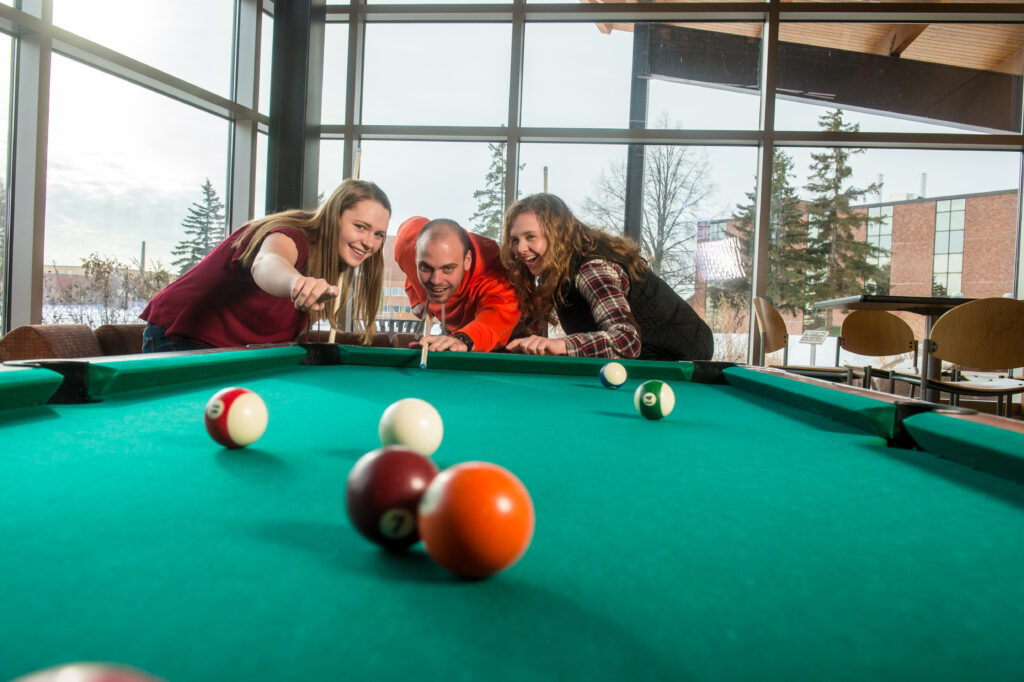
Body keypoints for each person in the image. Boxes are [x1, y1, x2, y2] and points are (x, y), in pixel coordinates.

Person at [141, 179, 391, 352]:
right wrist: (296, 282)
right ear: (332, 217)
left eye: (379, 234)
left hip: (236, 351)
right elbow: (267, 263)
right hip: (182, 338)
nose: (369, 242)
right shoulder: (293, 234)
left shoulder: (333, 259)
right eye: (360, 226)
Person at [499, 193, 714, 361]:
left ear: (557, 236)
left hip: (680, 358)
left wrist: (562, 345)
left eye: (530, 237)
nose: (520, 248)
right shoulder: (557, 271)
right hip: (646, 359)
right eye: (515, 240)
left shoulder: (592, 269)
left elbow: (626, 341)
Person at [394, 217, 521, 352]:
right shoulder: (406, 243)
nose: (436, 281)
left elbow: (495, 320)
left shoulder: (494, 272)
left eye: (448, 269)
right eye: (426, 268)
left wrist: (462, 339)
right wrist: (414, 297)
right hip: (453, 333)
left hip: (500, 336)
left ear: (467, 261)